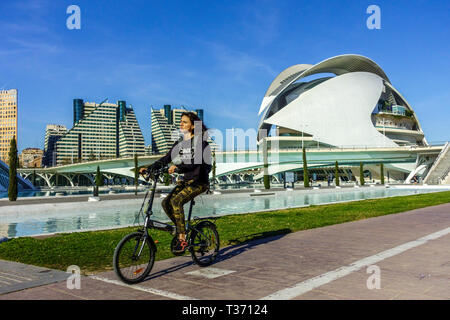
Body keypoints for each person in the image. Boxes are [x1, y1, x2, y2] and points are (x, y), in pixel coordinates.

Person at [141, 112, 211, 253]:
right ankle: (181, 229)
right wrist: (149, 169)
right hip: (186, 182)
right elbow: (166, 158)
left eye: (184, 122)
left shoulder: (200, 143)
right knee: (165, 203)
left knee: (176, 202)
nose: (181, 124)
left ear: (192, 126)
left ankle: (182, 238)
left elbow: (194, 163)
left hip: (199, 182)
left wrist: (178, 167)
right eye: (181, 122)